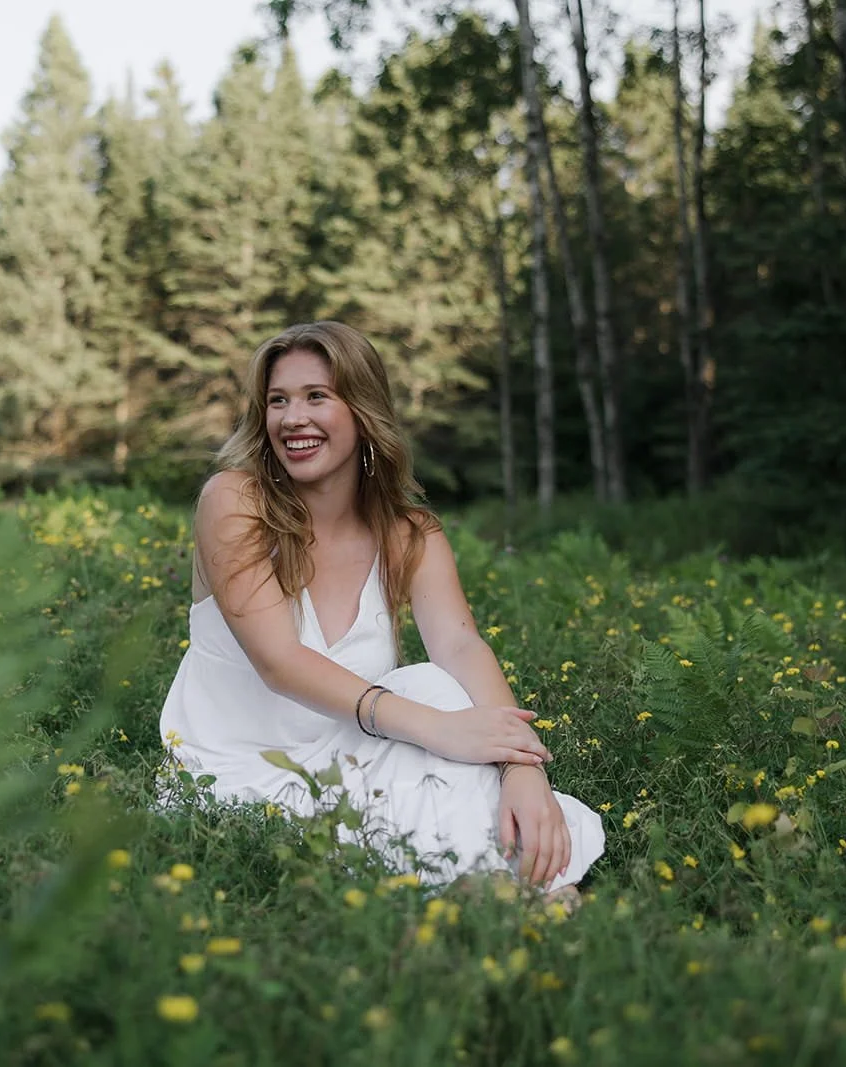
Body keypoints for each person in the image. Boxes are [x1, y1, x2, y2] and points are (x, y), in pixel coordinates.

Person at [158, 321, 605, 898]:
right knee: (433, 713)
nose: (292, 418)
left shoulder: (408, 533)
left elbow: (462, 647)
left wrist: (521, 768)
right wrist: (441, 730)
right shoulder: (234, 500)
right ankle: (514, 890)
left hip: (348, 762)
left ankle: (499, 885)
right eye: (278, 400)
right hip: (235, 773)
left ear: (362, 410)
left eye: (317, 396)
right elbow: (279, 661)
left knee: (434, 686)